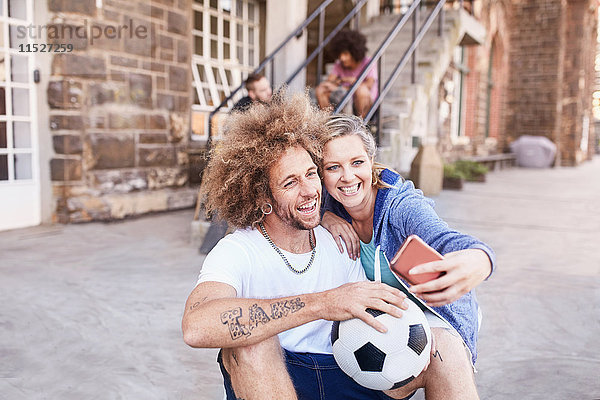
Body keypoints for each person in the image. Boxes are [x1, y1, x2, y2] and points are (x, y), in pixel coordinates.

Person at [182, 92, 414, 400]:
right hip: (276, 376)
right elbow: (196, 327)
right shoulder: (237, 251)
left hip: (345, 371)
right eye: (290, 183)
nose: (309, 191)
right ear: (262, 198)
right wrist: (322, 303)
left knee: (442, 348)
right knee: (251, 342)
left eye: (311, 174)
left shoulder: (339, 236)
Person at [319, 114, 497, 399]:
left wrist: (481, 258)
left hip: (437, 310)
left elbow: (443, 238)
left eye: (357, 162)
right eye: (333, 167)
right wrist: (325, 217)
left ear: (372, 161)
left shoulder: (400, 206)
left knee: (443, 348)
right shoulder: (328, 205)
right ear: (321, 173)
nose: (348, 176)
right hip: (388, 319)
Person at [315, 29, 378, 118]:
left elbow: (369, 85)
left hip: (365, 102)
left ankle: (362, 125)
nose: (342, 58)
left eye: (345, 54)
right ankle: (328, 122)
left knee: (361, 90)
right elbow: (329, 82)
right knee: (321, 89)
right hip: (344, 98)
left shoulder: (368, 62)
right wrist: (337, 83)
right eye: (340, 55)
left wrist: (354, 81)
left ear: (354, 52)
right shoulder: (339, 65)